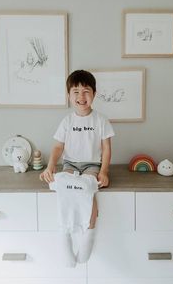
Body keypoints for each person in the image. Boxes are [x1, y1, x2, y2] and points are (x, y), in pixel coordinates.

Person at [40, 69, 115, 266]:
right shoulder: (67, 121)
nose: (81, 97)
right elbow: (58, 147)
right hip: (70, 164)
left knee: (88, 189)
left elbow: (106, 149)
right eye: (76, 92)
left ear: (94, 94)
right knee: (62, 186)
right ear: (69, 96)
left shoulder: (101, 120)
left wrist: (104, 171)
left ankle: (88, 235)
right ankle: (64, 236)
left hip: (92, 165)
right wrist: (50, 167)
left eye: (86, 91)